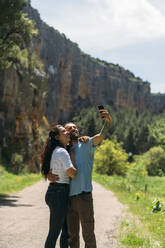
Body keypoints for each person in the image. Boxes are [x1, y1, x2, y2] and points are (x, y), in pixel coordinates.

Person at [48, 108, 112, 248]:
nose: (74, 129)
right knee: (72, 238)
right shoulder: (64, 151)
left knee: (88, 235)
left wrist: (107, 122)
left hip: (84, 197)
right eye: (70, 128)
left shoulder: (87, 143)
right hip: (69, 199)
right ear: (65, 133)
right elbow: (51, 164)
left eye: (75, 127)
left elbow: (101, 136)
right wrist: (48, 174)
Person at [41, 124, 77, 248]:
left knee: (65, 232)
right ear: (57, 137)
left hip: (58, 192)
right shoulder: (62, 151)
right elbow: (72, 173)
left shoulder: (57, 150)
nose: (67, 132)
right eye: (64, 131)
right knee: (54, 233)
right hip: (59, 194)